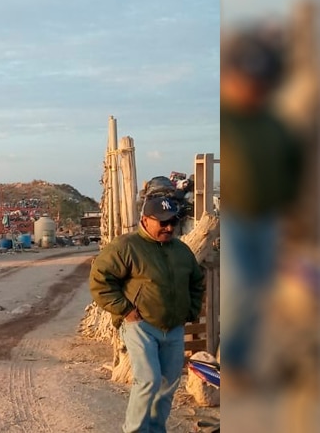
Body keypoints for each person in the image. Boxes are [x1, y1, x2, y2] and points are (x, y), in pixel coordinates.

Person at [219, 28, 303, 388]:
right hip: (235, 217)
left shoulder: (273, 123)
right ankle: (233, 360)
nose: (251, 88)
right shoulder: (226, 119)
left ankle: (242, 362)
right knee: (241, 288)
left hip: (269, 218)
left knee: (262, 288)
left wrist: (293, 210)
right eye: (245, 79)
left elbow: (294, 165)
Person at [89, 195, 206, 433]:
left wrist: (191, 310)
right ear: (145, 220)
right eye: (163, 222)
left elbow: (196, 281)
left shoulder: (181, 251)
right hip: (140, 325)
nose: (169, 227)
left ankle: (155, 429)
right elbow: (100, 279)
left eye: (173, 221)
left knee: (167, 384)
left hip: (173, 328)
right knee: (148, 380)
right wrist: (125, 310)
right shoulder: (126, 246)